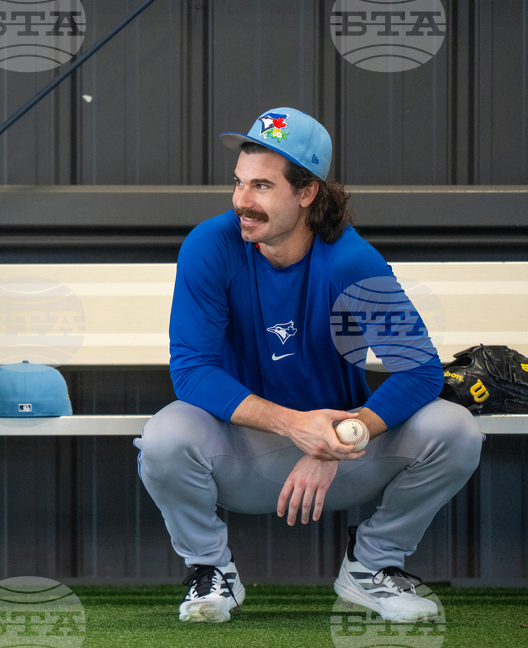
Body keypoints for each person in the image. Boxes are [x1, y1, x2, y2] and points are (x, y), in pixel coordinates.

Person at [134, 107, 483, 624]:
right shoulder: (211, 246)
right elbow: (191, 370)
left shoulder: (350, 260)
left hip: (340, 459)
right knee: (163, 437)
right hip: (241, 450)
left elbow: (421, 372)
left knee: (456, 429)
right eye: (238, 183)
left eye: (261, 186)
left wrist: (346, 433)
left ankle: (372, 565)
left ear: (306, 192)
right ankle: (211, 570)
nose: (241, 202)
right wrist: (296, 425)